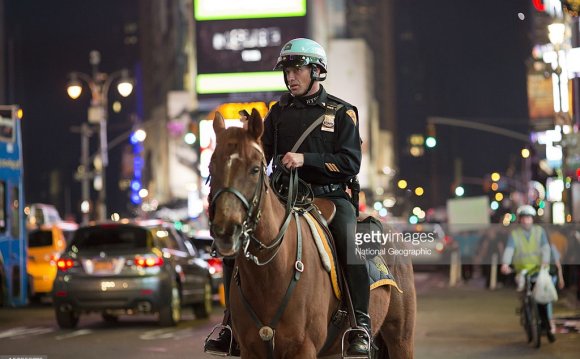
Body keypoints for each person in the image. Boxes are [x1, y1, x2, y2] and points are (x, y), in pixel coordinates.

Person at [204, 37, 370, 356]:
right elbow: (260, 155)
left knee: (350, 244)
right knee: (233, 245)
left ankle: (359, 325)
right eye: (287, 71)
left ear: (317, 71)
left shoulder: (342, 112)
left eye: (297, 70)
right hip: (284, 197)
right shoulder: (277, 113)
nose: (290, 77)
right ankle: (229, 325)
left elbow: (351, 162)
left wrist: (306, 159)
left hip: (329, 198)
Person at [500, 205, 555, 343]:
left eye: (528, 218)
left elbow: (545, 248)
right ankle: (527, 316)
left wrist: (545, 261)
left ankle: (547, 326)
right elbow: (509, 250)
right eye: (523, 218)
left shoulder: (539, 231)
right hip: (521, 271)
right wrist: (505, 264)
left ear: (532, 219)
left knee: (542, 300)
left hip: (538, 270)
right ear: (520, 220)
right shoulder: (515, 234)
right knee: (524, 295)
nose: (526, 221)